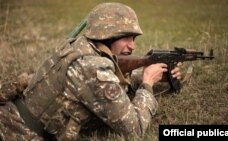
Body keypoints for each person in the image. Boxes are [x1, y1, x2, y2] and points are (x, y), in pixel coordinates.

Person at [0, 2, 181, 141]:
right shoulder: (93, 69)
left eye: (133, 38)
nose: (132, 45)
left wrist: (145, 76)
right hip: (16, 134)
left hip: (10, 115)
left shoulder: (79, 45)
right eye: (126, 37)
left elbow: (109, 81)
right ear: (108, 36)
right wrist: (147, 84)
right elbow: (135, 129)